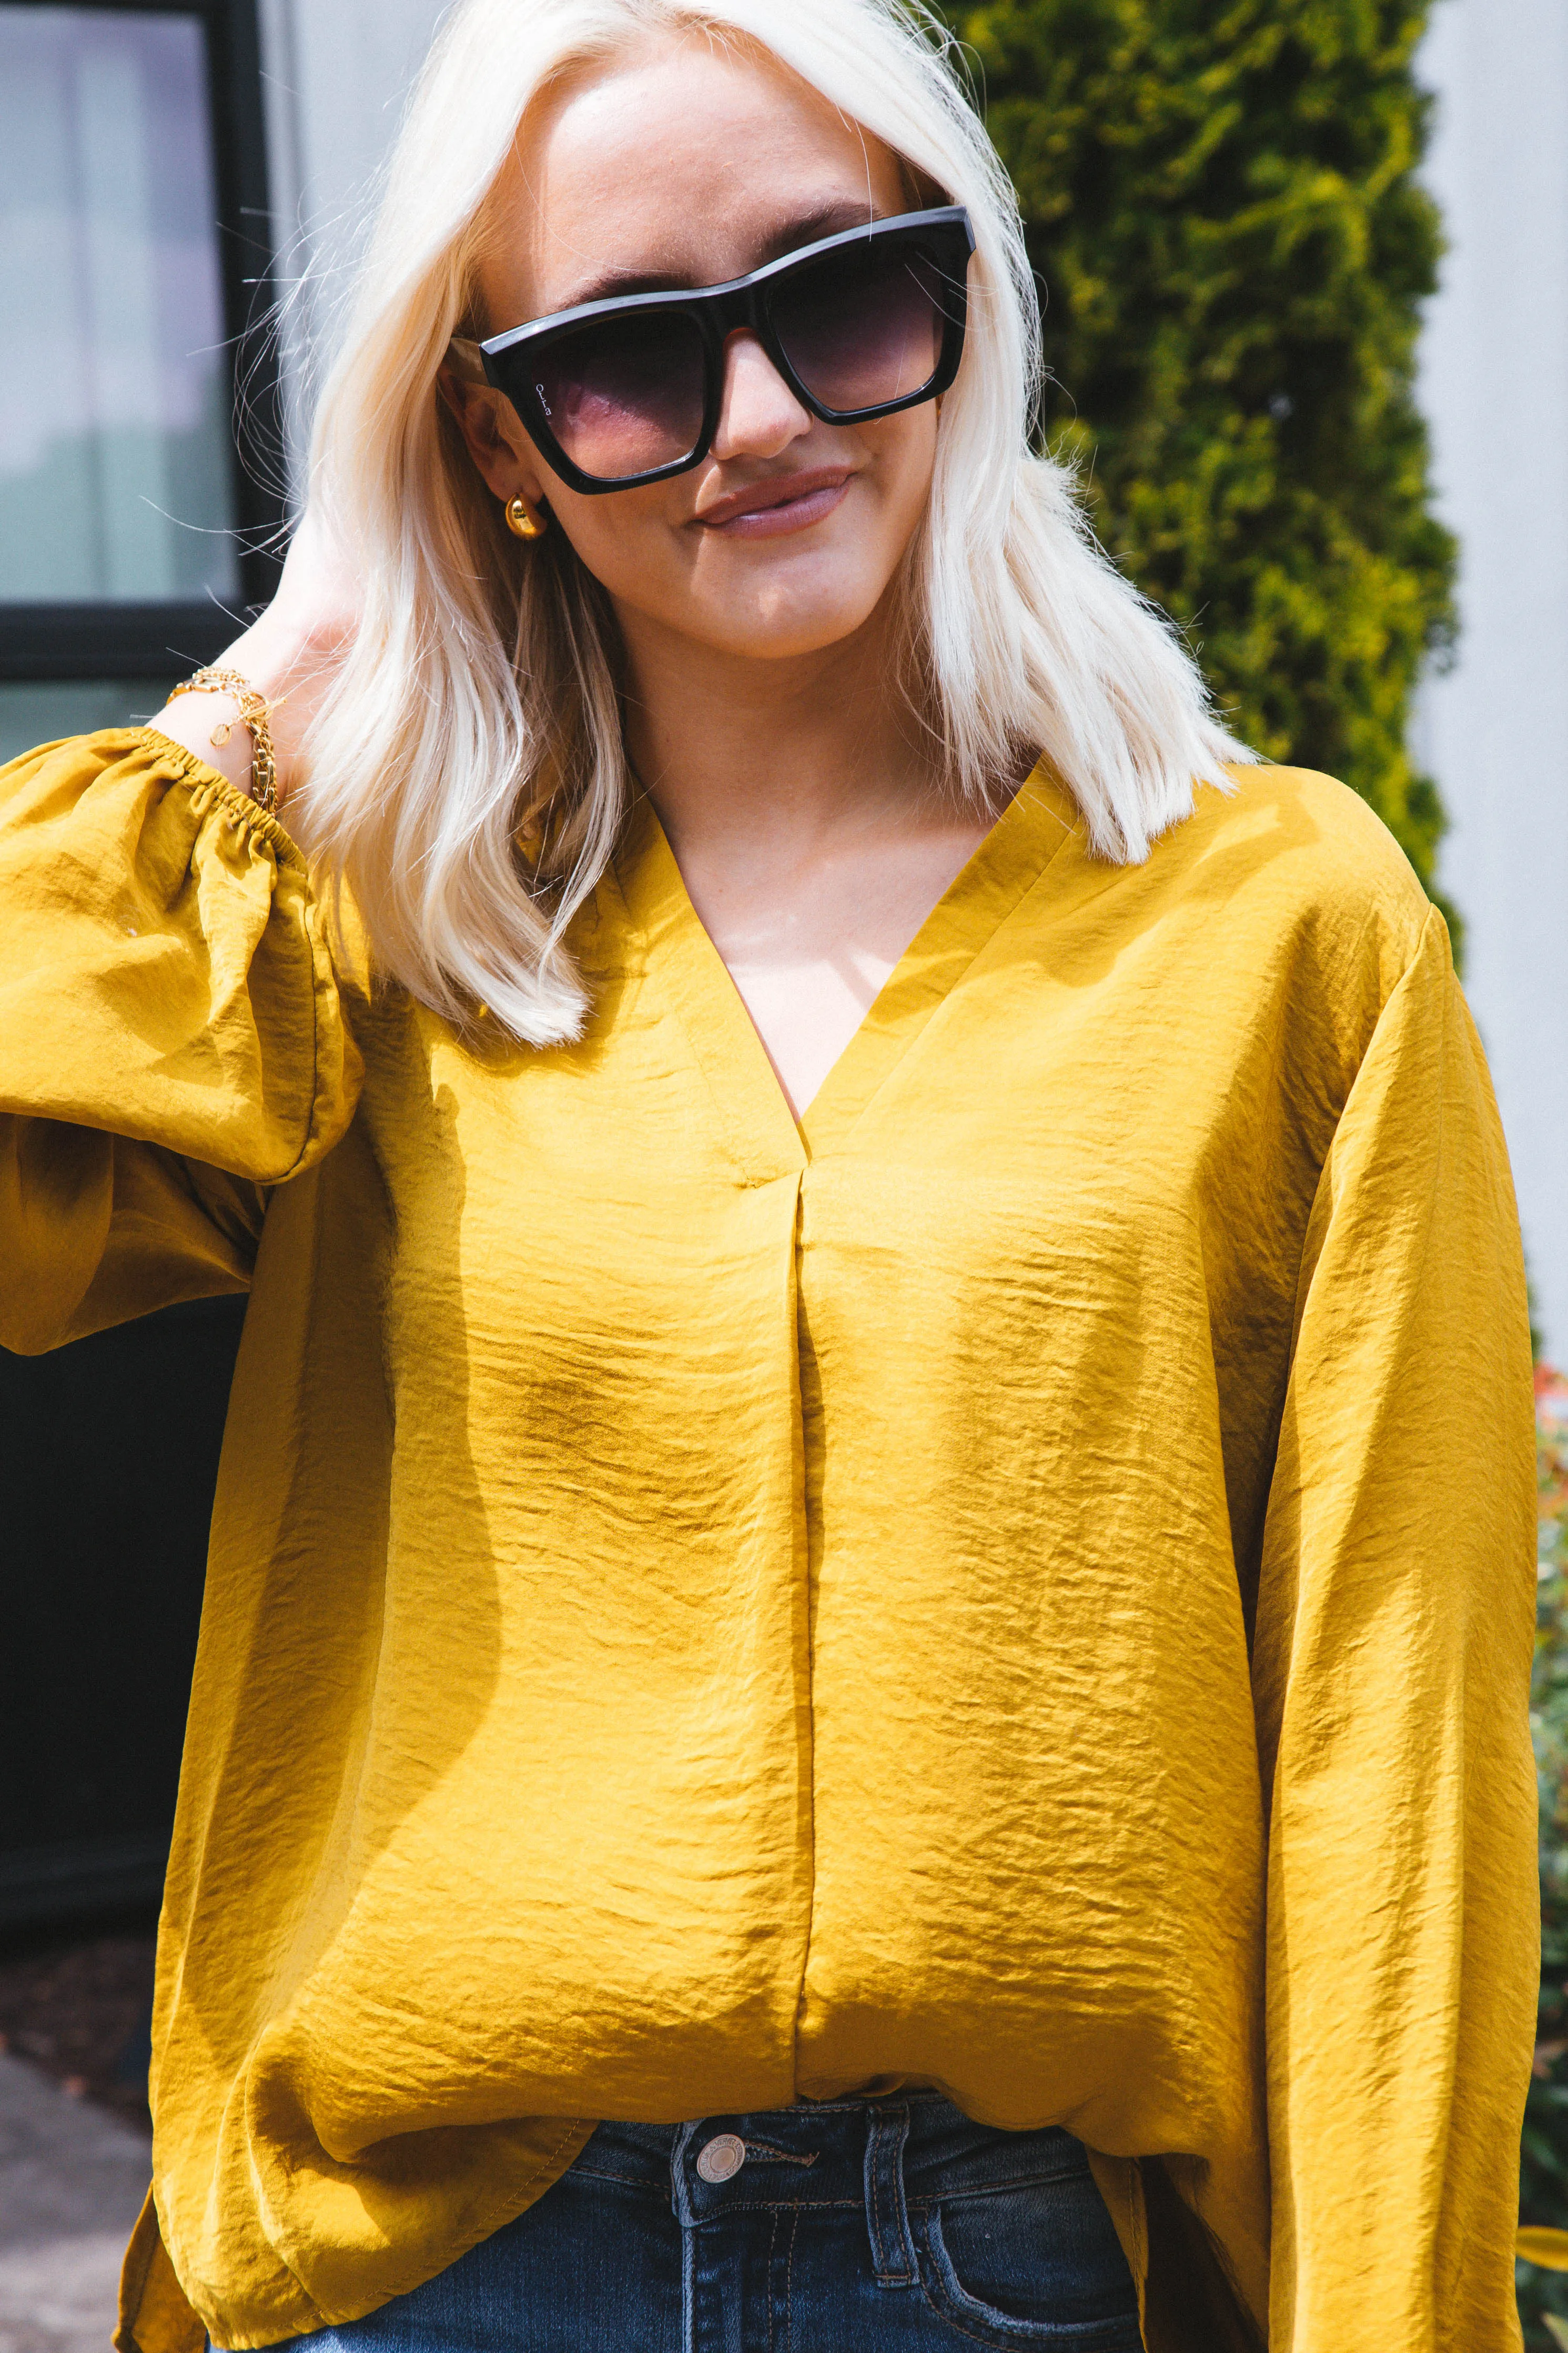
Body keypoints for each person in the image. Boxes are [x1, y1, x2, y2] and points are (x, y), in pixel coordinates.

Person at [0, 0, 1537, 2347]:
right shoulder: (366, 930)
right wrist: (275, 686)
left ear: (962, 305)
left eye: (840, 299)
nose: (759, 422)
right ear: (495, 432)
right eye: (625, 360)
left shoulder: (1281, 925)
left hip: (1001, 2273)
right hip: (435, 2277)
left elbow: (1389, 1756)